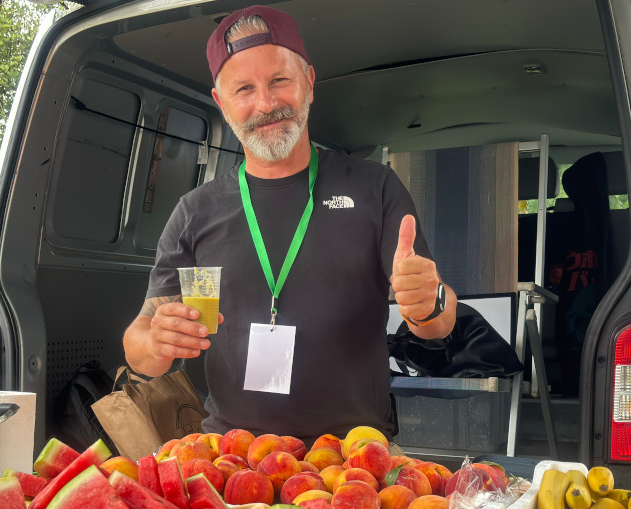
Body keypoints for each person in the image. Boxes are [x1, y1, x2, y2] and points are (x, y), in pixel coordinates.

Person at [122, 5, 457, 442]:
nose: (266, 103)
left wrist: (427, 300)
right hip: (233, 455)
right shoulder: (194, 211)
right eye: (244, 88)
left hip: (354, 455)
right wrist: (155, 342)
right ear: (222, 105)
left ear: (309, 83)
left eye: (280, 80)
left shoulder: (374, 186)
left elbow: (439, 323)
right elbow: (139, 346)